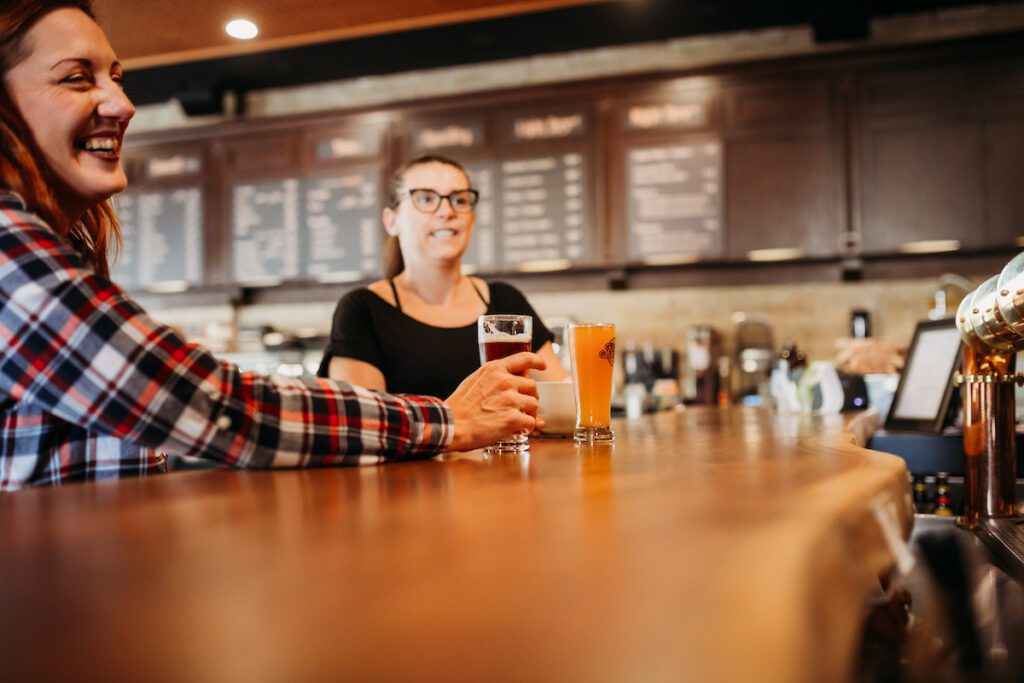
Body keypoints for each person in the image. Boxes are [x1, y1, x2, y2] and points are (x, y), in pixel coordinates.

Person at [0, 0, 545, 492]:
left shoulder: (50, 250)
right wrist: (449, 420)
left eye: (117, 78)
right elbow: (212, 406)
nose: (122, 103)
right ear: (393, 219)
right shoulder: (8, 253)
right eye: (77, 79)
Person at [318, 155, 569, 397]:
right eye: (426, 199)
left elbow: (564, 405)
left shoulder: (505, 301)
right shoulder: (363, 310)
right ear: (391, 220)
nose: (447, 211)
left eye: (459, 200)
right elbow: (364, 425)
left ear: (472, 219)